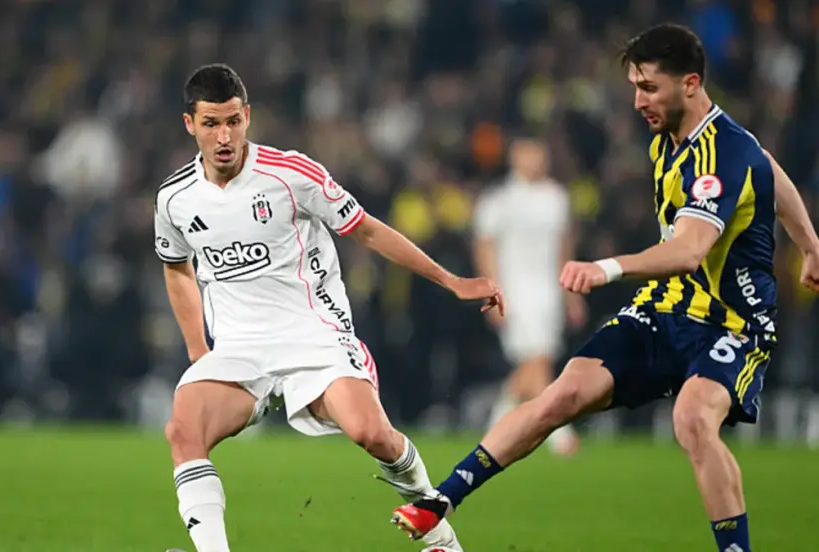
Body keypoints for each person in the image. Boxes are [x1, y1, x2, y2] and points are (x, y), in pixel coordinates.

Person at [389, 24, 819, 552]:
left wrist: (606, 268)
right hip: (666, 308)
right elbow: (769, 168)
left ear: (690, 83)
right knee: (563, 393)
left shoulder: (722, 154)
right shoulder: (676, 138)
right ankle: (440, 501)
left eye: (650, 88)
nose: (638, 101)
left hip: (730, 322)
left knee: (691, 418)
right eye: (635, 87)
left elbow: (689, 250)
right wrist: (811, 243)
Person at [155, 63, 503, 552]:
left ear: (247, 116)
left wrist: (451, 280)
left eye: (233, 121)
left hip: (314, 336)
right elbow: (176, 267)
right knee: (183, 430)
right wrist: (199, 351)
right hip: (239, 348)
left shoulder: (291, 174)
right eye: (211, 124)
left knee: (372, 433)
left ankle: (438, 532)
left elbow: (367, 229)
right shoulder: (174, 198)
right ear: (190, 124)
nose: (224, 136)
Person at [472, 137, 585, 454]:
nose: (535, 160)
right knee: (538, 360)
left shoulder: (556, 198)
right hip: (514, 290)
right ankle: (561, 434)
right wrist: (491, 291)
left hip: (548, 291)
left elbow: (564, 248)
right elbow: (484, 247)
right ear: (515, 158)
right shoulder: (499, 200)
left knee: (535, 361)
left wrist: (570, 295)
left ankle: (497, 423)